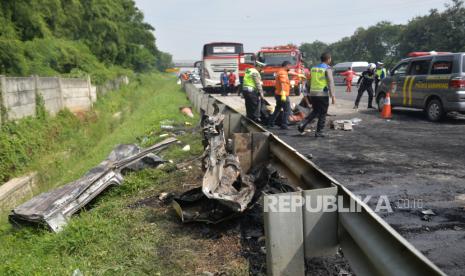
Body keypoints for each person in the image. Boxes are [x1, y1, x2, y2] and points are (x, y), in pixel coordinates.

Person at [297, 52, 336, 137]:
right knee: (322, 113)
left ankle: (302, 124)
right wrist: (333, 96)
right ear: (328, 59)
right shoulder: (327, 69)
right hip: (322, 94)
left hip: (313, 93)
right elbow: (330, 82)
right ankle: (319, 132)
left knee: (315, 111)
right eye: (330, 59)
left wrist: (309, 92)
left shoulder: (313, 68)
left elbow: (309, 81)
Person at [267, 61, 293, 130]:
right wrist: (283, 93)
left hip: (278, 94)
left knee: (277, 109)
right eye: (290, 66)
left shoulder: (281, 71)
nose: (290, 67)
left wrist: (298, 74)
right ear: (286, 65)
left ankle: (270, 123)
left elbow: (290, 73)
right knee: (287, 110)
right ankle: (284, 124)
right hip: (282, 94)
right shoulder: (283, 73)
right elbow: (283, 83)